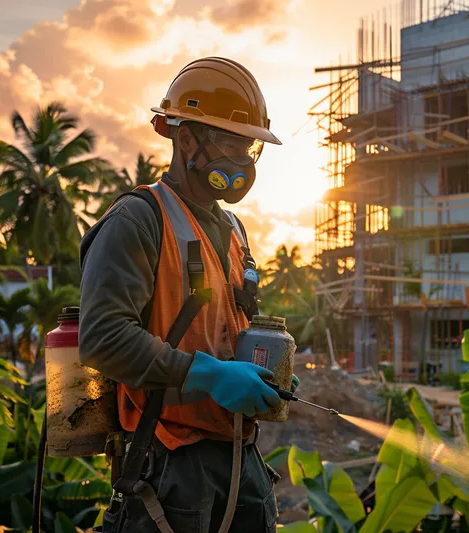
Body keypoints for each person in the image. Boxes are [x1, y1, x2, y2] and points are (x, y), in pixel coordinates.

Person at [80, 57, 294, 533]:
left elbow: (222, 328)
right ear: (185, 137)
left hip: (239, 457)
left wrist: (262, 374)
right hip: (170, 465)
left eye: (250, 146)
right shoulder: (137, 220)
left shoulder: (234, 230)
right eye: (231, 140)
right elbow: (104, 338)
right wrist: (211, 375)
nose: (242, 157)